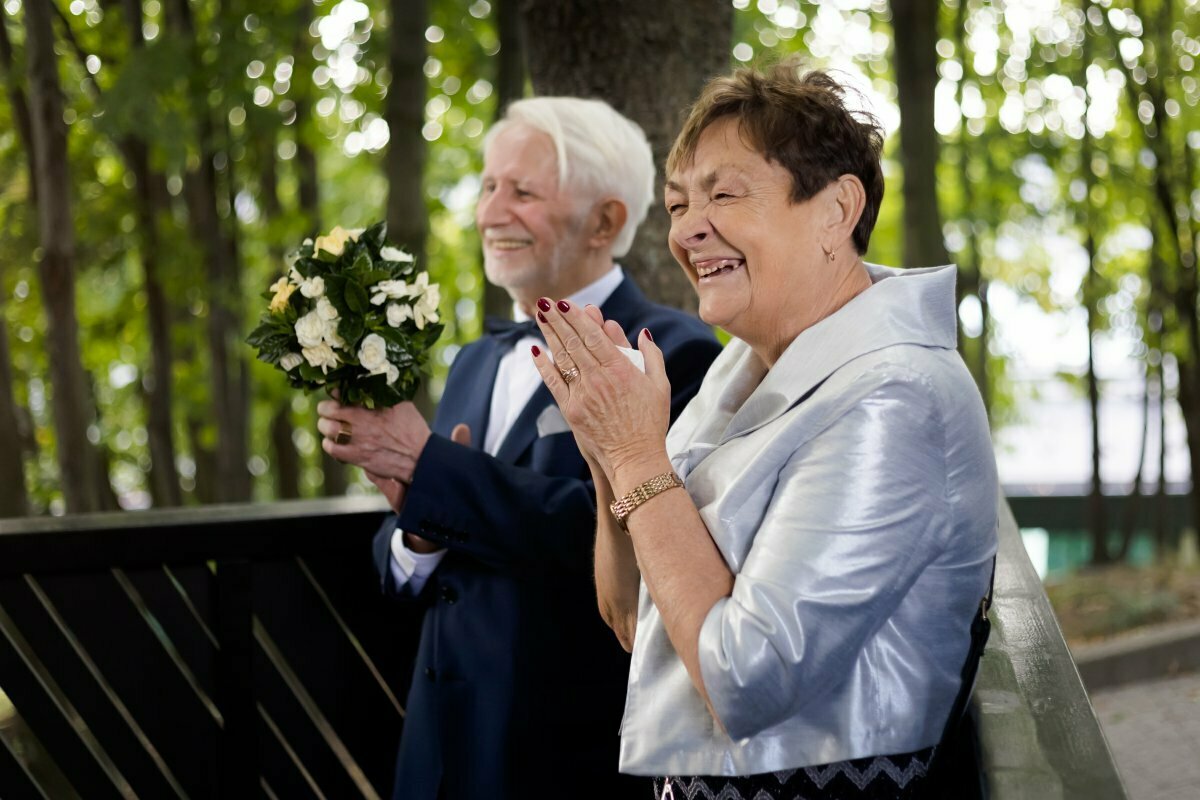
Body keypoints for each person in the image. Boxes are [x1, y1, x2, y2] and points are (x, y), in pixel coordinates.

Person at [530, 62, 999, 799]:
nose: (687, 228)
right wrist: (607, 451)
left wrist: (636, 452)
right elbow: (628, 614)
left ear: (835, 211)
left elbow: (745, 680)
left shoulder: (898, 396)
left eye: (724, 194)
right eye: (679, 202)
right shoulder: (738, 374)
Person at [316, 97, 721, 800]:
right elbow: (408, 556)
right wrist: (414, 527)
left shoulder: (671, 352)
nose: (489, 213)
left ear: (607, 222)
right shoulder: (474, 360)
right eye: (488, 187)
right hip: (437, 756)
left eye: (522, 192)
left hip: (564, 758)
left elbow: (620, 528)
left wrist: (432, 471)